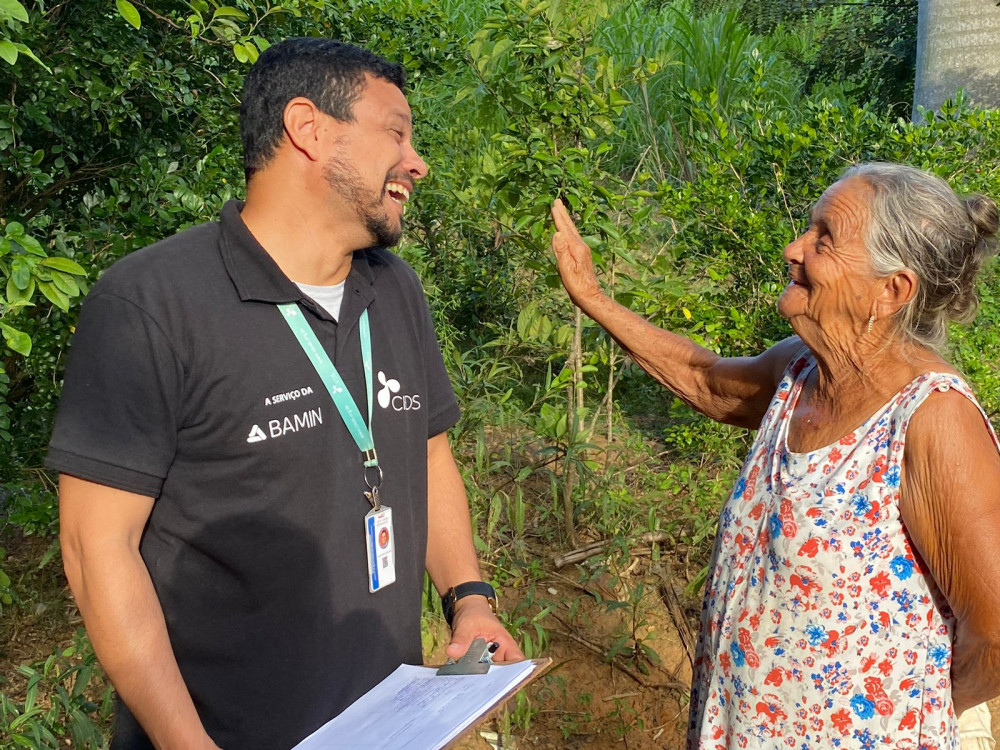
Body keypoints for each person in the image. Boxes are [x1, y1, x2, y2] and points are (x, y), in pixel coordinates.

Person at [49, 37, 522, 750]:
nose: (416, 161)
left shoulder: (394, 291)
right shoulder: (153, 302)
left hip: (381, 724)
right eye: (395, 131)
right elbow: (96, 546)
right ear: (307, 129)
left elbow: (427, 456)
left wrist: (470, 601)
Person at [550, 162, 1000, 749]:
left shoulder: (932, 418)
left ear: (891, 291)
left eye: (824, 239)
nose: (794, 249)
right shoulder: (801, 370)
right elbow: (707, 380)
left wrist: (904, 710)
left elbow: (994, 632)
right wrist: (592, 297)